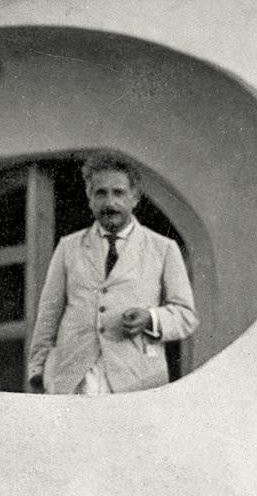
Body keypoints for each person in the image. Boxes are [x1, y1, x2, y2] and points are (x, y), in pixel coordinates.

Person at [26, 154, 197, 397]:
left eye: (118, 193)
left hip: (137, 379)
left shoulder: (163, 249)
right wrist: (37, 370)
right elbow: (48, 313)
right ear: (89, 198)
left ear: (135, 198)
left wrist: (150, 318)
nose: (110, 203)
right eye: (101, 193)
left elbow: (186, 316)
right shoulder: (68, 247)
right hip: (73, 377)